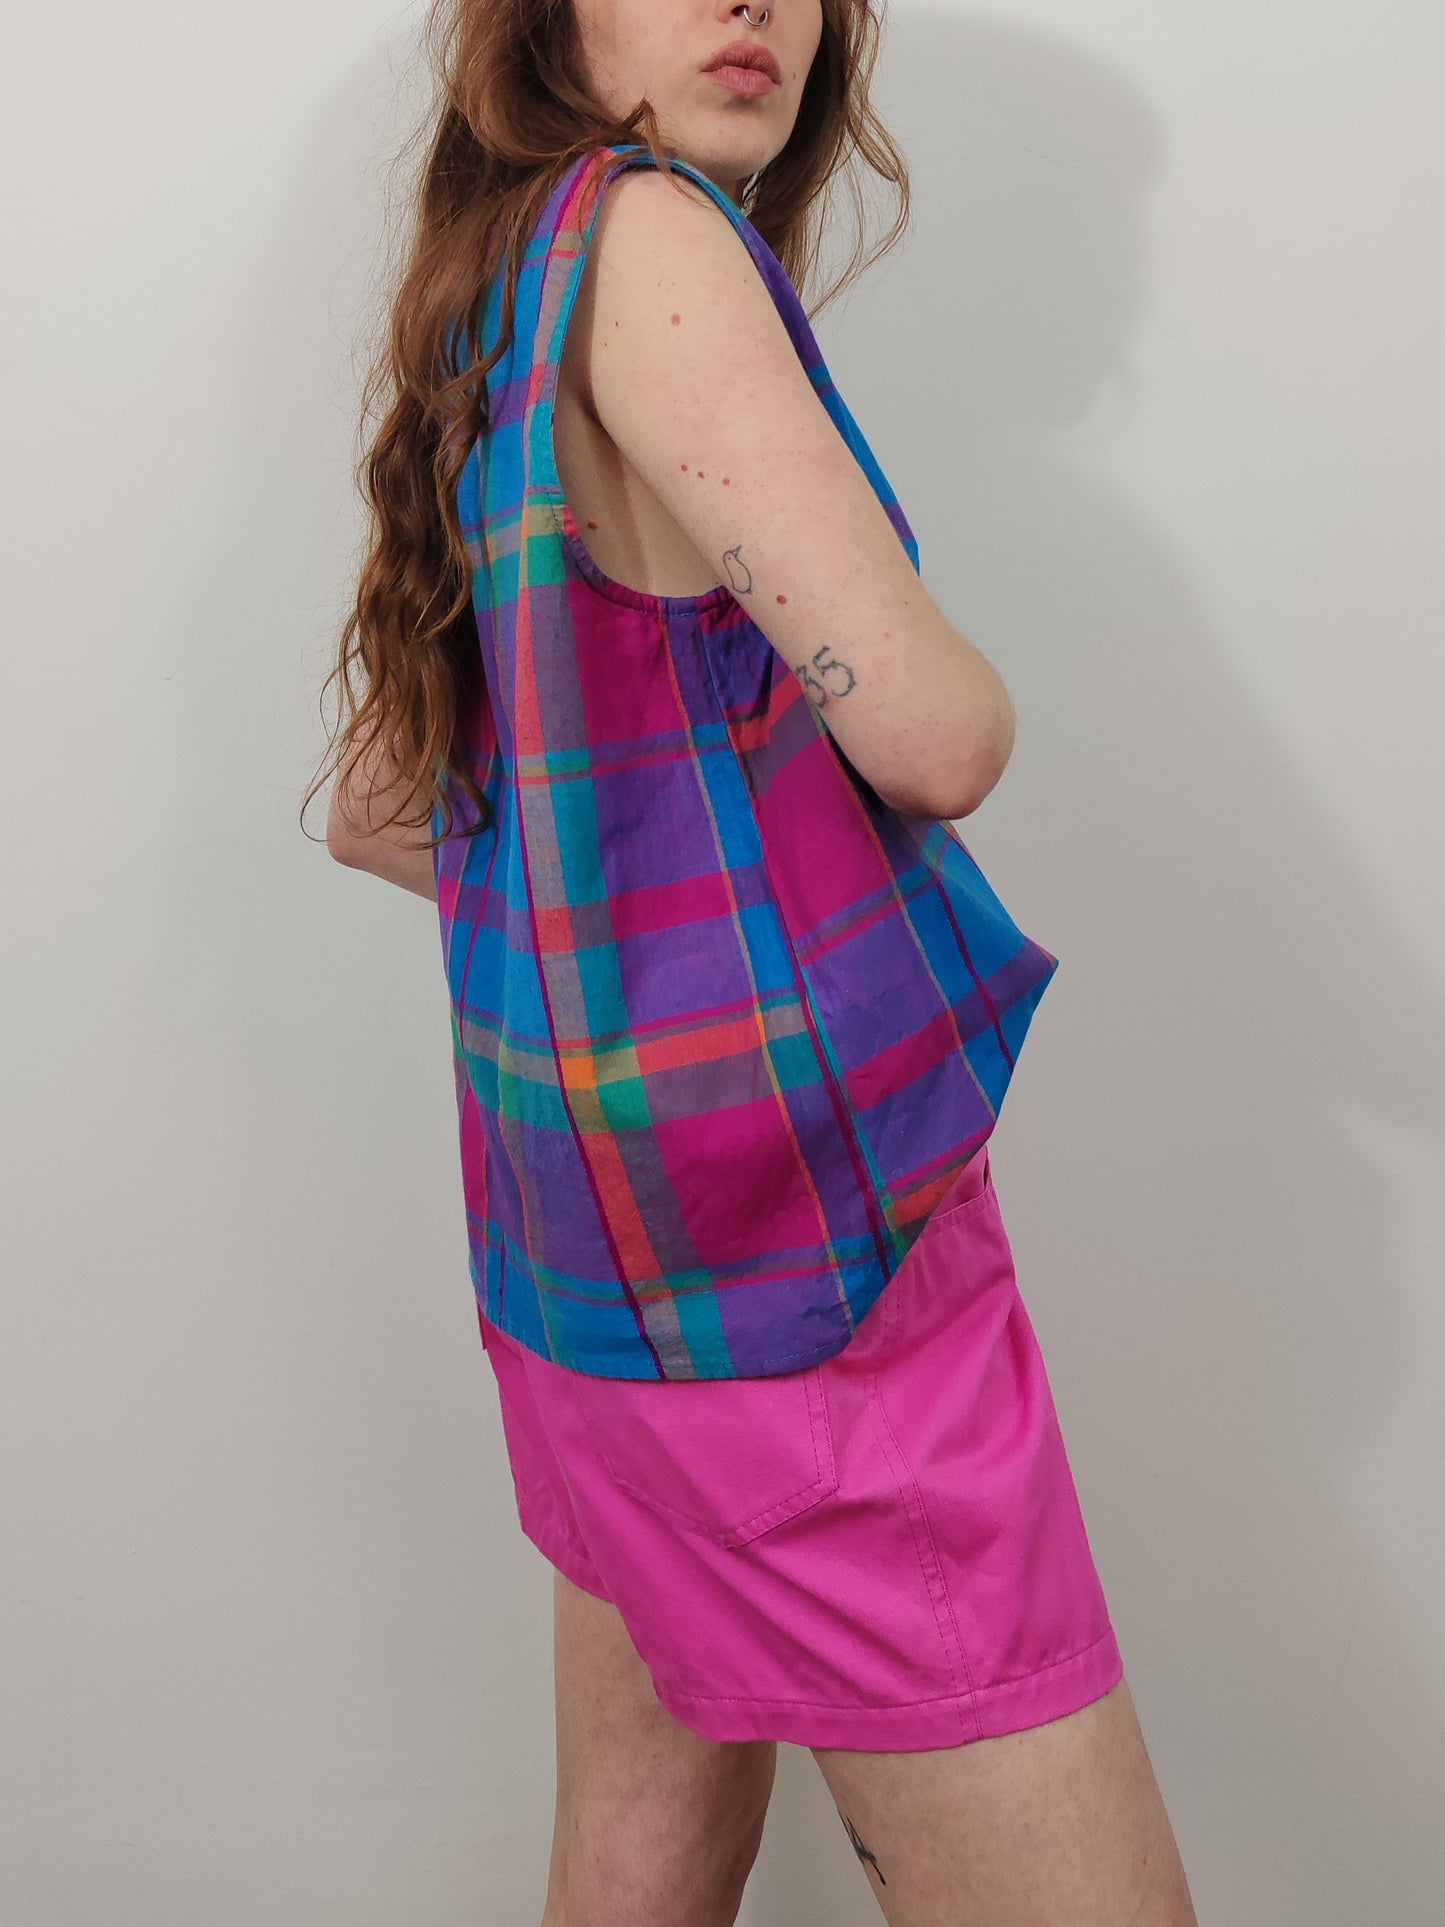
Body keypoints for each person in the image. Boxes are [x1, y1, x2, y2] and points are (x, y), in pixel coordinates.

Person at [308, 2, 1199, 1921]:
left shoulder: (498, 288)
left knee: (633, 1865)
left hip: (589, 1275)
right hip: (807, 1278)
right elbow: (935, 739)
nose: (755, 1)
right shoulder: (648, 239)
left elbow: (379, 808)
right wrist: (961, 687)